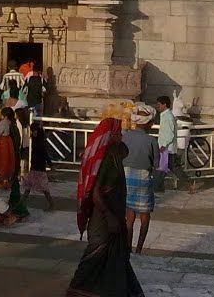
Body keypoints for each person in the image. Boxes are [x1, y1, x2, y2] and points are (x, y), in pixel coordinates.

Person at [66, 118, 144, 297]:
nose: (121, 135)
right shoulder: (107, 159)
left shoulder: (113, 154)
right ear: (110, 135)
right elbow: (96, 192)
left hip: (112, 215)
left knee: (115, 257)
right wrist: (109, 216)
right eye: (118, 132)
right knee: (95, 255)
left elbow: (125, 150)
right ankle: (76, 290)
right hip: (103, 218)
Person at [122, 104, 158, 254]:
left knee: (129, 216)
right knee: (145, 216)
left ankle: (128, 247)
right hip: (143, 178)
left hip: (125, 177)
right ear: (149, 123)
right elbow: (156, 163)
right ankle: (139, 248)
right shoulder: (151, 141)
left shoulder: (125, 135)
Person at [153, 96, 195, 194]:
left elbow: (169, 134)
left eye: (159, 104)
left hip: (167, 148)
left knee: (161, 168)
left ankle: (157, 188)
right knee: (173, 167)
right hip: (168, 148)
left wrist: (163, 145)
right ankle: (189, 183)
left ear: (165, 105)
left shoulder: (167, 117)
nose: (157, 106)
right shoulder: (166, 116)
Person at [22, 122, 54, 211]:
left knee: (40, 187)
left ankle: (51, 204)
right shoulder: (38, 141)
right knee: (31, 186)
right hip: (37, 166)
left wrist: (50, 164)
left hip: (38, 166)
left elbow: (44, 154)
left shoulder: (38, 142)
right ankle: (22, 202)